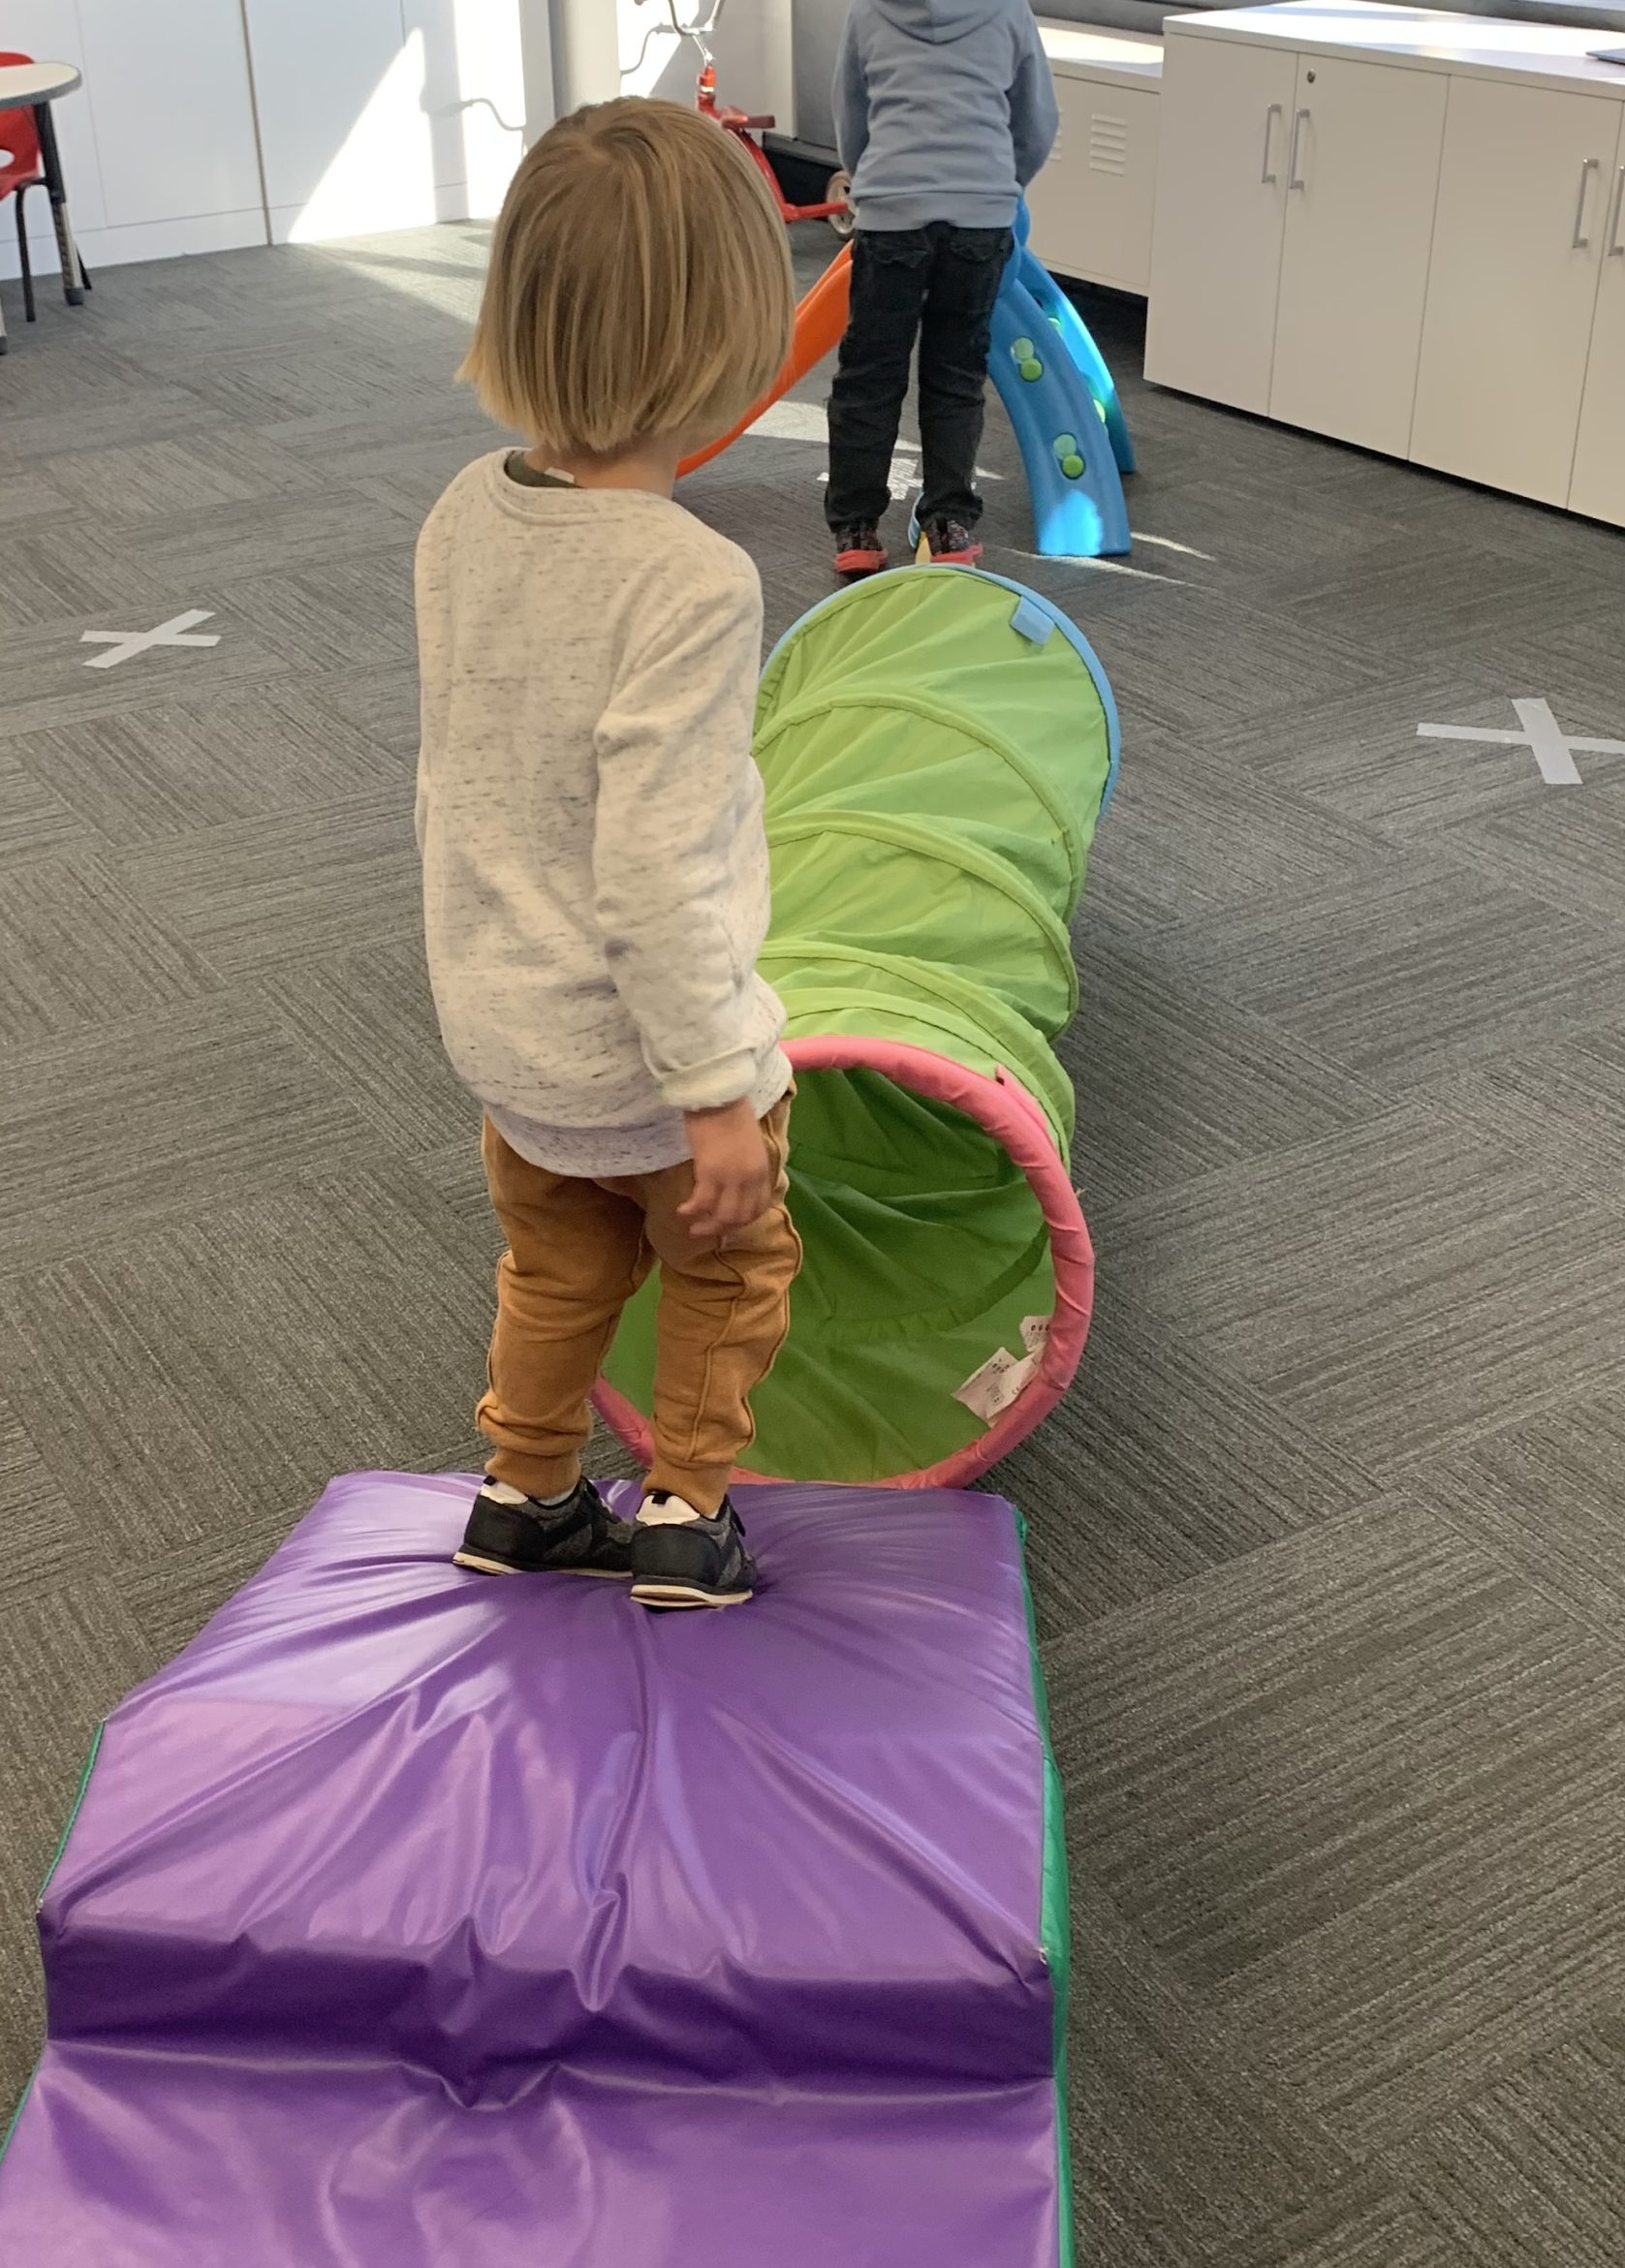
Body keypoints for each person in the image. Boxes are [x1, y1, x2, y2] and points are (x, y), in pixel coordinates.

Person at [415, 98, 803, 1610]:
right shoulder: (693, 581)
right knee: (728, 1266)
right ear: (725, 347)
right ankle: (684, 1518)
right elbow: (656, 874)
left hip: (505, 1030)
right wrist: (717, 1097)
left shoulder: (461, 512)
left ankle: (522, 1491)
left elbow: (475, 769)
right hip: (653, 1060)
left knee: (557, 1274)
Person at [825, 0, 1059, 576]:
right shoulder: (1009, 10)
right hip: (980, 216)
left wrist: (879, 184)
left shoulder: (868, 12)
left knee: (870, 371)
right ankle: (947, 523)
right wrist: (999, 187)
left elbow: (851, 119)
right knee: (955, 372)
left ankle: (857, 528)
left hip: (891, 215)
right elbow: (1037, 122)